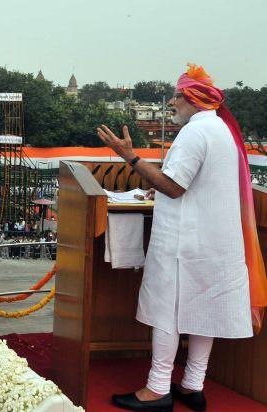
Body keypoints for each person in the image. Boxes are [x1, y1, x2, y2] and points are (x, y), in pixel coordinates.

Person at [98, 64, 267, 412]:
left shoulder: (195, 133)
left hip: (184, 246)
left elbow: (173, 187)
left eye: (176, 95)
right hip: (214, 244)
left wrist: (129, 155)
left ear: (192, 98)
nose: (172, 102)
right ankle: (193, 386)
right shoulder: (221, 130)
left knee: (168, 312)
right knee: (204, 313)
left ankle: (158, 389)